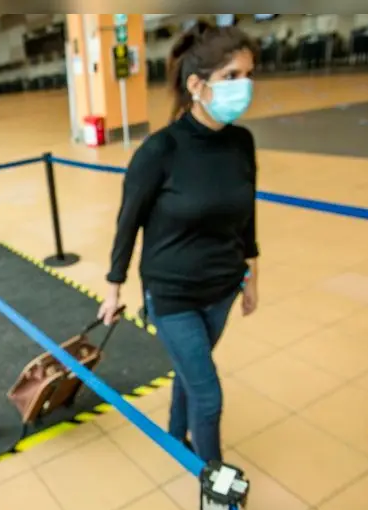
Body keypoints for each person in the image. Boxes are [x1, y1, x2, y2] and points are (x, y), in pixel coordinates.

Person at [96, 23, 260, 463]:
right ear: (196, 84)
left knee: (191, 373)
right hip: (173, 296)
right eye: (231, 77)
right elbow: (127, 224)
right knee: (208, 397)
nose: (244, 86)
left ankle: (174, 437)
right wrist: (113, 288)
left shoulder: (242, 143)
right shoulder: (160, 151)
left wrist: (251, 275)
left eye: (248, 74)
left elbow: (248, 216)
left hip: (222, 288)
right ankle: (215, 485)